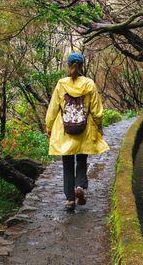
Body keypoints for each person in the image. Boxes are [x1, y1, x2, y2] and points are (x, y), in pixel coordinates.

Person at [45, 52, 109, 211]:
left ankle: (69, 201)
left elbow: (53, 109)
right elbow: (97, 111)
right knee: (81, 159)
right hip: (84, 130)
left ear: (68, 65)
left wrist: (48, 127)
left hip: (64, 131)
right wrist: (99, 126)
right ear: (82, 66)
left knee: (67, 164)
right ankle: (80, 186)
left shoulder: (61, 84)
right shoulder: (89, 84)